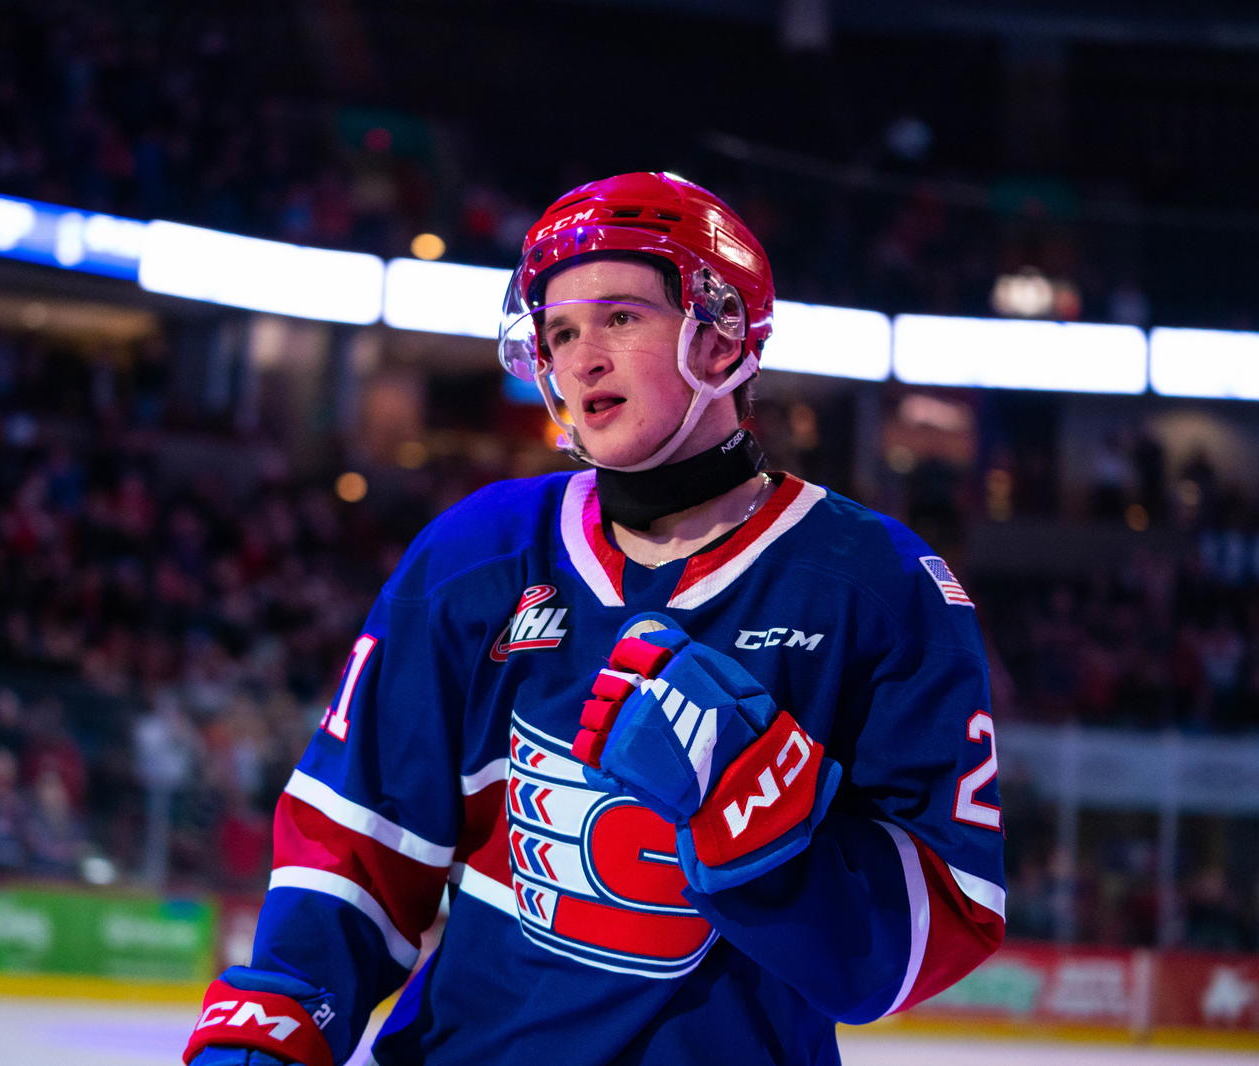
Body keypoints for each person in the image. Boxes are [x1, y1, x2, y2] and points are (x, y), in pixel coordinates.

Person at [183, 172, 1006, 1066]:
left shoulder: (880, 585)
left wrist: (761, 818)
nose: (580, 360)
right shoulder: (476, 554)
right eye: (560, 331)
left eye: (619, 318)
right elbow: (356, 848)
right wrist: (278, 1027)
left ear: (723, 333)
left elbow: (931, 935)